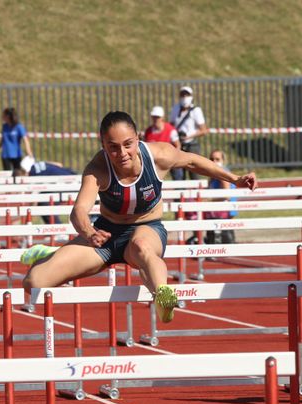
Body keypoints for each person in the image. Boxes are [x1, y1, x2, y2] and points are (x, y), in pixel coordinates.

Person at [20, 111, 256, 324]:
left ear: (138, 138)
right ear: (102, 145)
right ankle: (53, 254)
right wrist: (89, 233)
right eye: (112, 147)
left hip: (146, 228)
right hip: (105, 236)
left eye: (128, 144)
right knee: (34, 283)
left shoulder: (158, 155)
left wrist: (234, 178)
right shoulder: (98, 169)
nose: (122, 153)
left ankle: (163, 296)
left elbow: (193, 161)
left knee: (141, 247)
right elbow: (79, 211)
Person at [16, 156, 77, 225]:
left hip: (69, 186)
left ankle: (57, 230)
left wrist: (27, 220)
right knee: (45, 199)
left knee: (43, 203)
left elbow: (34, 200)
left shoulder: (33, 176)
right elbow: (59, 164)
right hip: (73, 176)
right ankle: (57, 228)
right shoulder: (38, 164)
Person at [170, 86, 209, 180]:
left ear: (191, 96)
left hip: (192, 145)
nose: (184, 97)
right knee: (179, 174)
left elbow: (203, 130)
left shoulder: (196, 110)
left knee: (194, 173)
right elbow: (171, 125)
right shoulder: (175, 108)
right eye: (182, 95)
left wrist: (188, 136)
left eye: (187, 95)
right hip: (179, 145)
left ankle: (196, 193)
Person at [204, 150, 238, 244]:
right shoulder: (213, 174)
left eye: (217, 159)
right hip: (218, 209)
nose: (214, 161)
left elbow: (226, 195)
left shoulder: (222, 173)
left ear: (223, 160)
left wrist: (209, 200)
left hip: (222, 209)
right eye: (212, 159)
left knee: (222, 235)